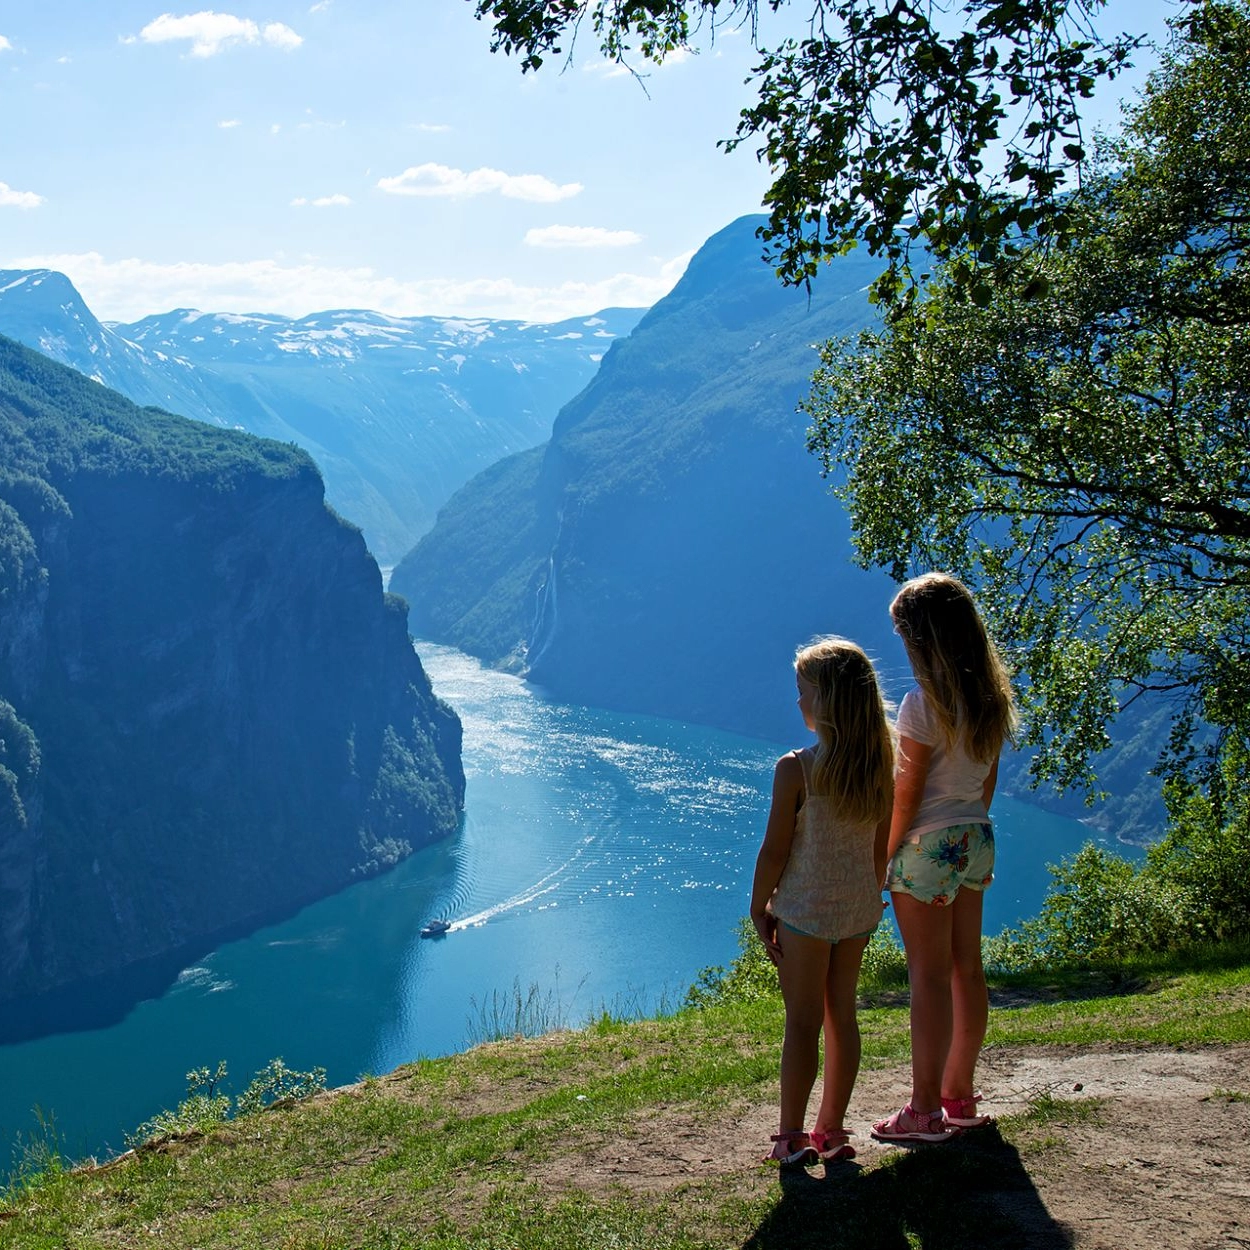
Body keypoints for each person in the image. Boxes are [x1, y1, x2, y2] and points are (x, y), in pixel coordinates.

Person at [872, 573, 1017, 1143]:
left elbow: (905, 795)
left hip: (927, 846)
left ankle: (924, 1110)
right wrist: (968, 824)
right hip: (975, 837)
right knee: (966, 968)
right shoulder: (990, 700)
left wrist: (884, 860)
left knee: (927, 977)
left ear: (921, 639)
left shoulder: (920, 706)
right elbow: (988, 783)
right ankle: (958, 1094)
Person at [750, 637, 894, 1165]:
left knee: (802, 1023)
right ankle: (830, 1131)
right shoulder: (881, 768)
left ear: (827, 701)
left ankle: (789, 1136)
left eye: (803, 691)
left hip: (804, 913)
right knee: (843, 1018)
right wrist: (868, 895)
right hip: (856, 913)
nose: (797, 703)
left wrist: (759, 906)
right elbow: (881, 848)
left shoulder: (797, 769)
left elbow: (774, 851)